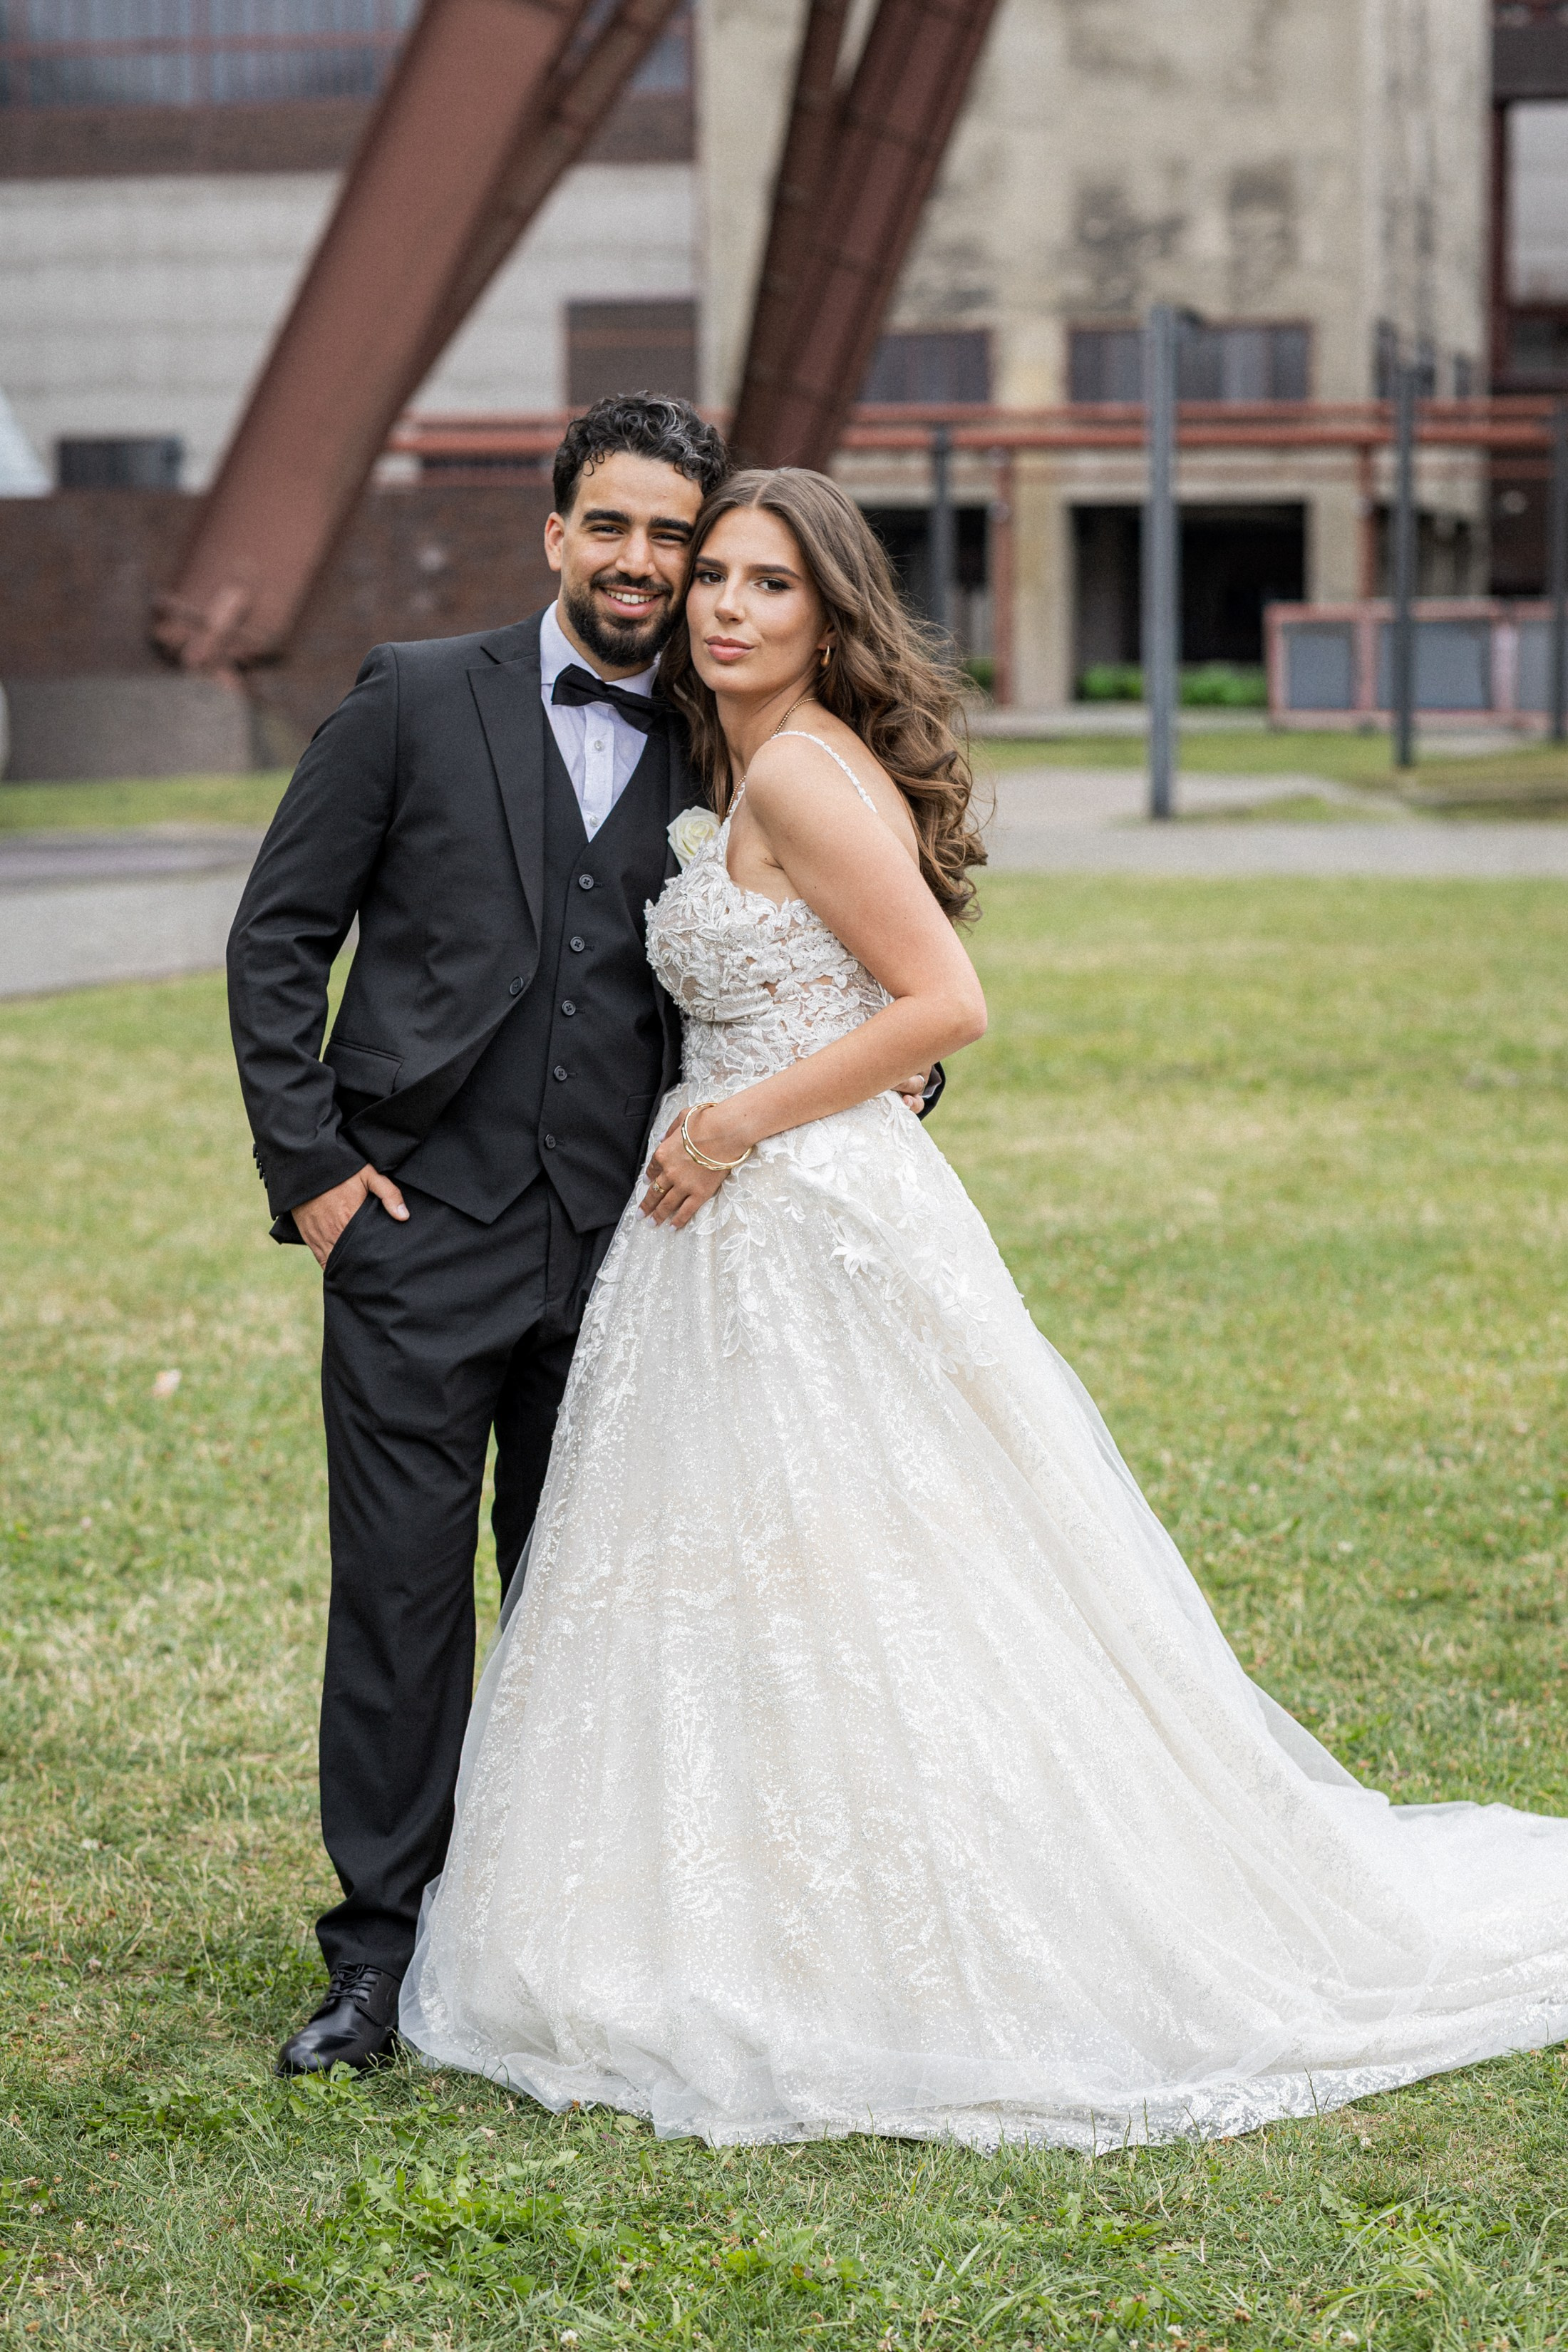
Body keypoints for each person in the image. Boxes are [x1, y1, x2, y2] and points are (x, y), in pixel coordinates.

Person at [400, 467, 1568, 2153]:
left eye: (767, 587)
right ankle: (738, 1904)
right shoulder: (751, 765)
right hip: (729, 1227)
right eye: (710, 578)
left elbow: (944, 1004)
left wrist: (734, 1118)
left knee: (877, 1569)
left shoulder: (802, 773)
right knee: (775, 1572)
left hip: (793, 1209)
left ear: (828, 613)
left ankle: (901, 1930)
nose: (723, 607)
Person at [228, 396, 739, 2076]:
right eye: (614, 526)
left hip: (625, 1247)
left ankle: (555, 1936)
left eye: (672, 535)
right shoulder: (412, 695)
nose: (642, 563)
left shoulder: (721, 735)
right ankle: (377, 1957)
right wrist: (311, 1174)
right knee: (398, 1601)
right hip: (412, 1233)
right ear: (554, 534)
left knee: (581, 1594)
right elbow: (278, 935)